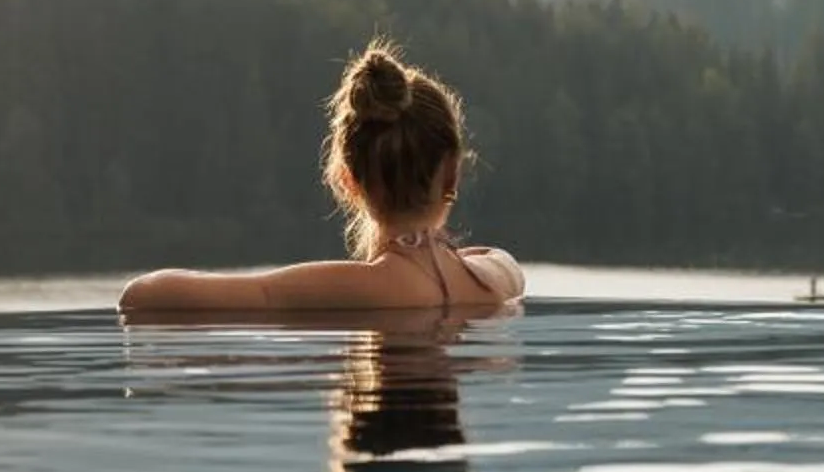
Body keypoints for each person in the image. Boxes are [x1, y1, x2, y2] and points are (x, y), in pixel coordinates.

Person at [117, 41, 526, 314]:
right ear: (453, 173)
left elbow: (141, 296)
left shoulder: (361, 287)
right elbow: (497, 258)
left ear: (347, 179)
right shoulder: (498, 281)